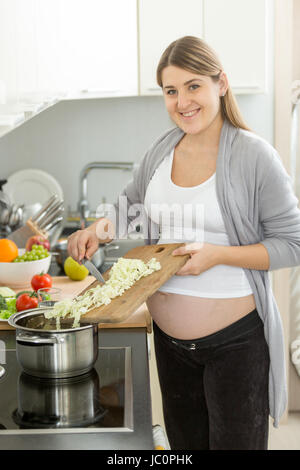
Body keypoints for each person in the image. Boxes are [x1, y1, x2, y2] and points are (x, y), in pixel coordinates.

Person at [67, 36, 300, 450]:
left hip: (237, 346)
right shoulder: (160, 151)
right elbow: (129, 207)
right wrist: (95, 231)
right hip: (171, 345)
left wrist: (217, 257)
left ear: (221, 84)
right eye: (171, 91)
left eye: (194, 86)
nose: (182, 101)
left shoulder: (254, 157)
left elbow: (293, 243)